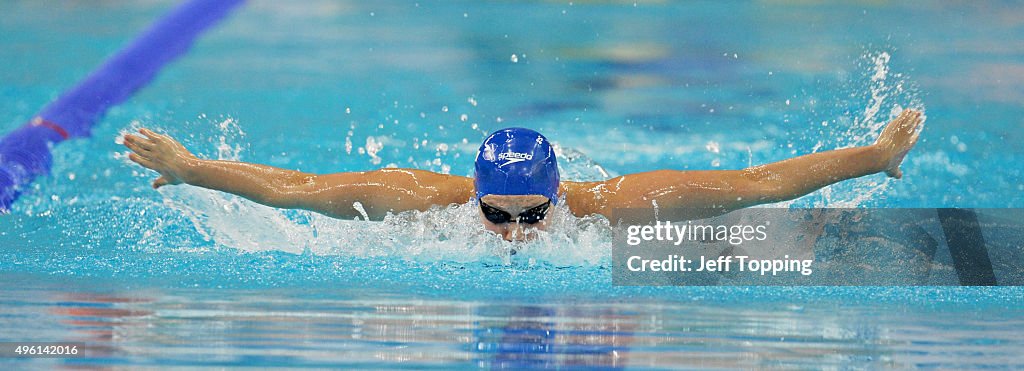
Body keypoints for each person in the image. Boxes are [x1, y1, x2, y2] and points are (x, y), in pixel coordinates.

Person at [123, 109, 923, 241]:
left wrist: (874, 156)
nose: (511, 236)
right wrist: (194, 169)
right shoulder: (416, 202)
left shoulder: (619, 207)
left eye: (528, 217)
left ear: (557, 196)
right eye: (496, 215)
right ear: (471, 194)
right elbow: (295, 188)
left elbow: (759, 183)